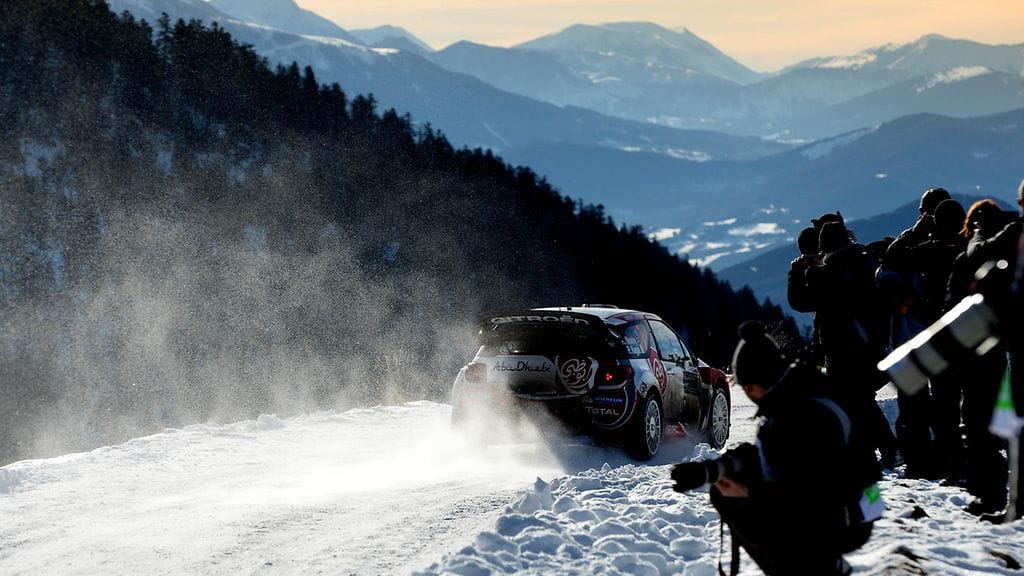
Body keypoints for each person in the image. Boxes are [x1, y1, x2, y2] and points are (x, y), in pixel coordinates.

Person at [672, 321, 883, 575]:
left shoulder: (802, 416)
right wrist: (714, 469)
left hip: (848, 515)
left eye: (745, 385)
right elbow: (769, 459)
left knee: (741, 502)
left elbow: (805, 495)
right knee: (730, 491)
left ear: (752, 385)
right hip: (850, 502)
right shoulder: (799, 391)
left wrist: (749, 493)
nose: (747, 393)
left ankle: (820, 566)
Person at [878, 194, 967, 479]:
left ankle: (922, 463)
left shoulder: (927, 249)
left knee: (914, 406)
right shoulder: (969, 249)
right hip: (961, 338)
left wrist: (913, 233)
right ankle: (952, 460)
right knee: (949, 406)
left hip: (920, 335)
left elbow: (890, 260)